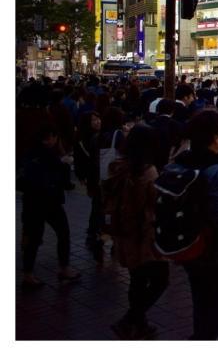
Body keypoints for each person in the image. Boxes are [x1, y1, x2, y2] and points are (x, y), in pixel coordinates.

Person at [174, 109, 218, 340]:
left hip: (189, 242)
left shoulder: (182, 161)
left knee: (201, 300)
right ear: (215, 139)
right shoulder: (217, 171)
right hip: (216, 250)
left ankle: (200, 335)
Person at [105, 124, 170, 340]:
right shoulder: (147, 171)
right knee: (161, 279)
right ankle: (130, 319)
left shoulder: (117, 166)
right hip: (145, 235)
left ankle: (139, 323)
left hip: (124, 232)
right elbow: (156, 204)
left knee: (137, 280)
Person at [20, 123, 81, 287]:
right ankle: (64, 268)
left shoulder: (29, 153)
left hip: (31, 201)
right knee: (63, 232)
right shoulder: (52, 156)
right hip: (50, 200)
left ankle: (28, 274)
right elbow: (64, 181)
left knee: (32, 238)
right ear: (51, 138)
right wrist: (65, 164)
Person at [73, 110, 103, 257]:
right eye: (93, 120)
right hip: (94, 177)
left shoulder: (102, 136)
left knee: (98, 204)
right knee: (98, 204)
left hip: (98, 176)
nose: (97, 122)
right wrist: (81, 175)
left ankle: (95, 231)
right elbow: (79, 160)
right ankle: (95, 232)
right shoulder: (82, 140)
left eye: (98, 119)